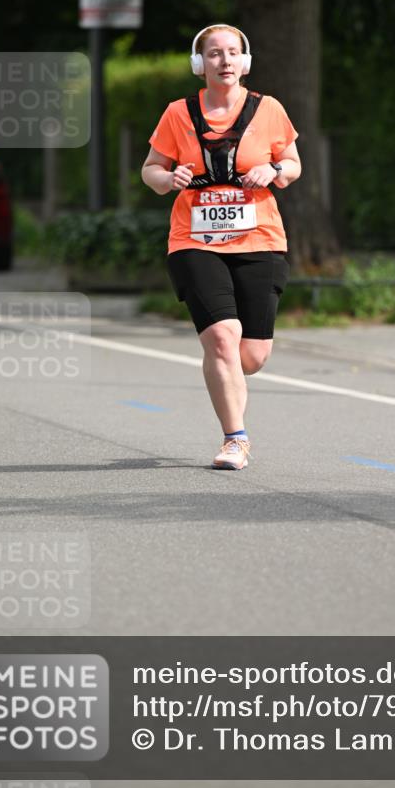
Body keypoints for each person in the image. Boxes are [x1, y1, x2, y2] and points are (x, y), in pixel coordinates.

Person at [141, 23, 302, 470]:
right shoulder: (178, 114)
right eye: (214, 53)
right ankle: (235, 438)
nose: (224, 60)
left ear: (244, 61)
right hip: (194, 241)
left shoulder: (269, 109)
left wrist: (274, 171)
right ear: (200, 64)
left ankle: (228, 374)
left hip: (259, 240)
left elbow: (293, 163)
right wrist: (167, 178)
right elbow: (151, 169)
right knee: (220, 338)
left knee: (251, 355)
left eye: (232, 52)